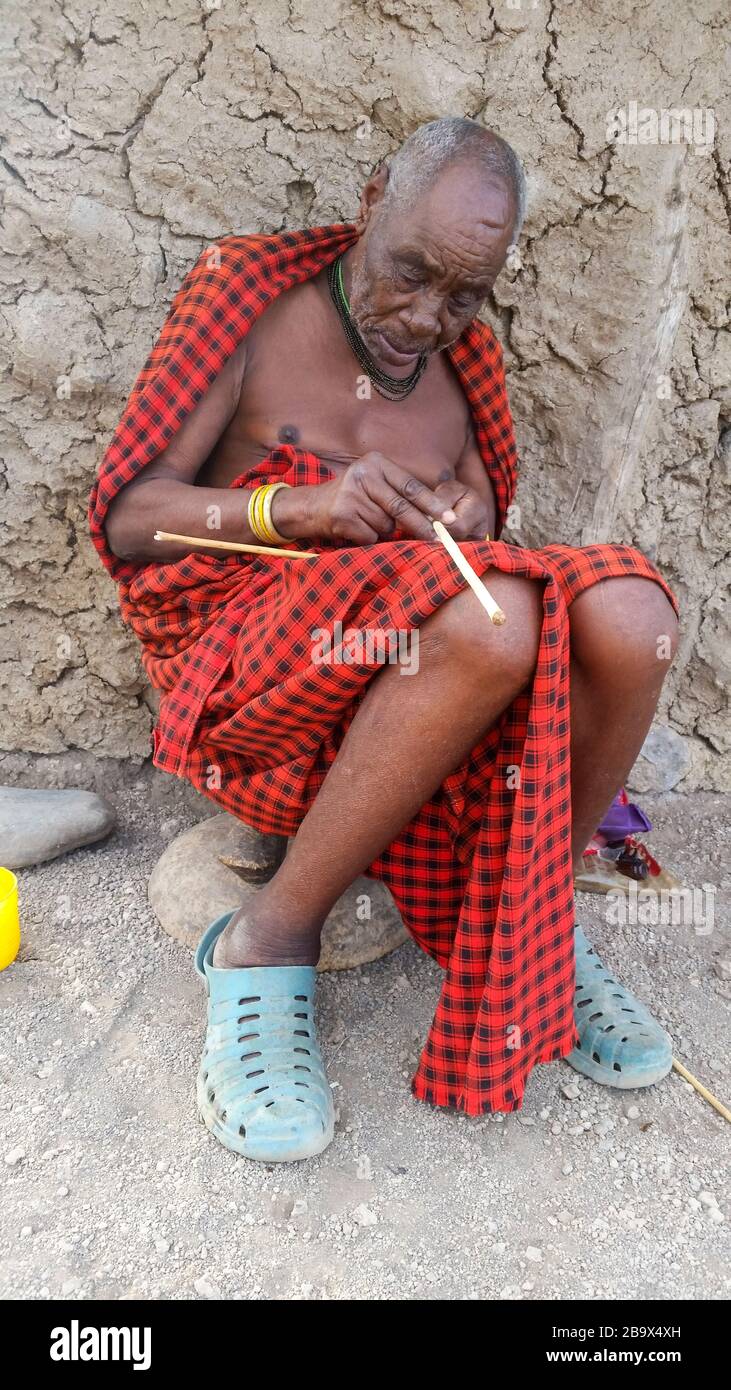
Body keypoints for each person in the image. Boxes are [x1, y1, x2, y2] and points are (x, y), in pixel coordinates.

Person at [89, 117, 679, 1163]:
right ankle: (267, 938)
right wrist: (295, 512)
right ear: (370, 199)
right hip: (252, 684)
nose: (424, 315)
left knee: (629, 617)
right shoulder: (253, 299)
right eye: (408, 271)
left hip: (409, 697)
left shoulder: (467, 374)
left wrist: (459, 522)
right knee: (493, 627)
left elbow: (482, 546)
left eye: (463, 294)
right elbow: (130, 519)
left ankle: (534, 906)